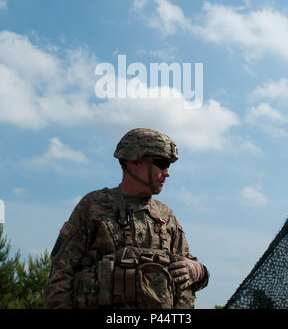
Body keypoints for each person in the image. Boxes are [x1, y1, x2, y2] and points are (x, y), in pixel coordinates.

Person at [43, 128, 209, 309]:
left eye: (168, 166)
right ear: (133, 160)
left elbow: (187, 271)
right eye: (161, 163)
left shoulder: (165, 216)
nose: (167, 173)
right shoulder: (94, 206)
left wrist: (198, 270)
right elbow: (60, 273)